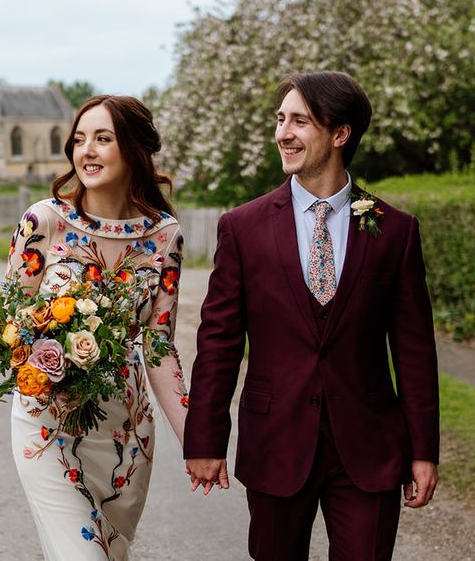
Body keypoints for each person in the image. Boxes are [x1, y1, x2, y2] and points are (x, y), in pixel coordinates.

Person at [184, 71, 439, 560]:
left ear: (340, 134)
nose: (283, 133)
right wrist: (206, 439)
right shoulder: (243, 228)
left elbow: (414, 351)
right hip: (275, 441)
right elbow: (218, 342)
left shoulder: (395, 231)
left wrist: (424, 450)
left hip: (369, 447)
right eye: (281, 120)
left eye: (299, 121)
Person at [7, 95, 189, 560]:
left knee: (109, 554)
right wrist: (51, 352)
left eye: (103, 139)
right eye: (80, 139)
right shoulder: (42, 222)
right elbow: (9, 323)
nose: (86, 150)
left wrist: (195, 437)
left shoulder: (164, 235)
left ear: (133, 150)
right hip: (47, 423)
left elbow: (159, 345)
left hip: (125, 435)